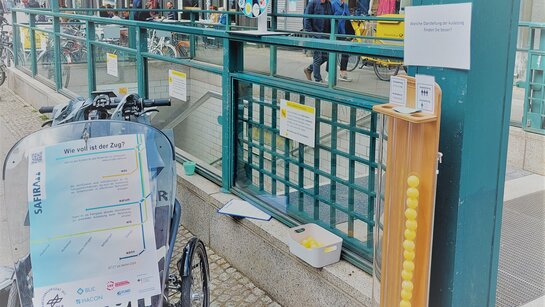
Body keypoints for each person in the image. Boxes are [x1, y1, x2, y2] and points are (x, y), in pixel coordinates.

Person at [303, 0, 333, 83]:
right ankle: (318, 79)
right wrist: (312, 34)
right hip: (316, 35)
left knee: (326, 56)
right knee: (318, 57)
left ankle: (309, 69)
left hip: (326, 35)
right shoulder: (312, 3)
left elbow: (332, 18)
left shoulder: (329, 4)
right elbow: (307, 19)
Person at [332, 0, 352, 81]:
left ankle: (343, 73)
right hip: (335, 33)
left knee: (345, 52)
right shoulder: (333, 4)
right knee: (331, 54)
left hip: (344, 33)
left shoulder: (345, 5)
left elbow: (348, 18)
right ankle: (329, 74)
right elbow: (330, 18)